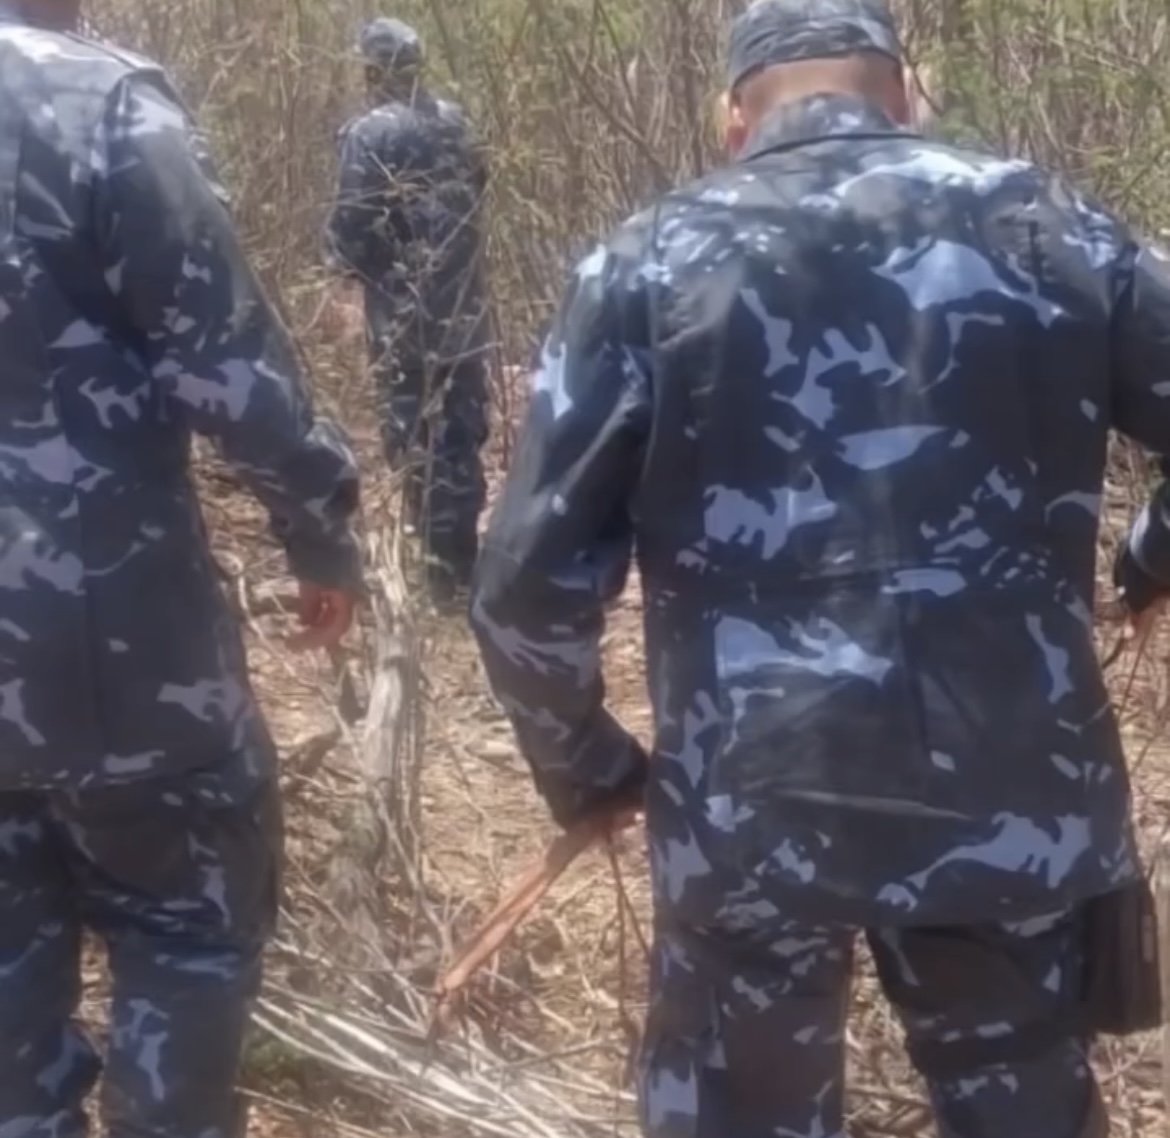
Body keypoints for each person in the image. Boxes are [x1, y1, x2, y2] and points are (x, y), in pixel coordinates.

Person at [469, 0, 1170, 1134]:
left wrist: (589, 765)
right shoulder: (1048, 225)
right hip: (1010, 790)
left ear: (733, 118)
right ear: (905, 91)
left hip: (756, 806)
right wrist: (1147, 560)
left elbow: (523, 584)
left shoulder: (652, 259)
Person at [0, 2, 363, 1135]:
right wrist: (318, 524)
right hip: (112, 645)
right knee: (186, 931)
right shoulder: (95, 104)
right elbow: (231, 373)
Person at [325, 17, 490, 604]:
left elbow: (351, 227)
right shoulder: (456, 122)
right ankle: (460, 565)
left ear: (373, 70)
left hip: (406, 315)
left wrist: (359, 279)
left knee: (415, 436)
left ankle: (438, 578)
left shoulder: (370, 133)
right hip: (466, 308)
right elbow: (478, 190)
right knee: (461, 434)